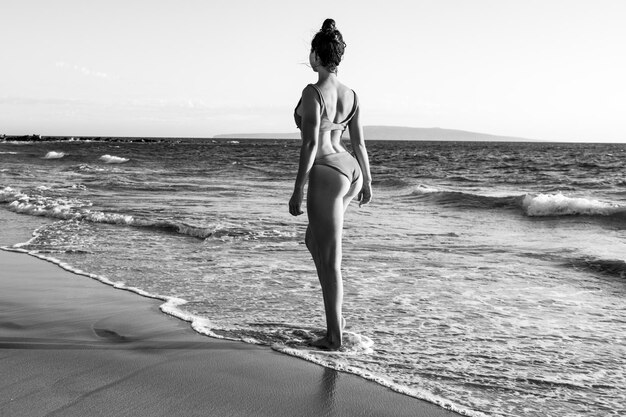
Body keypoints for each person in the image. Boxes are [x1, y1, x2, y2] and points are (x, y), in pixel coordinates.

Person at [289, 18, 372, 350]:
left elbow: (309, 145)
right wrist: (367, 181)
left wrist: (297, 189)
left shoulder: (312, 93)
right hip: (350, 170)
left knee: (331, 258)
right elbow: (361, 143)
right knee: (314, 240)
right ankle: (336, 317)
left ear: (316, 57)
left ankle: (334, 336)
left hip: (326, 172)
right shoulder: (351, 94)